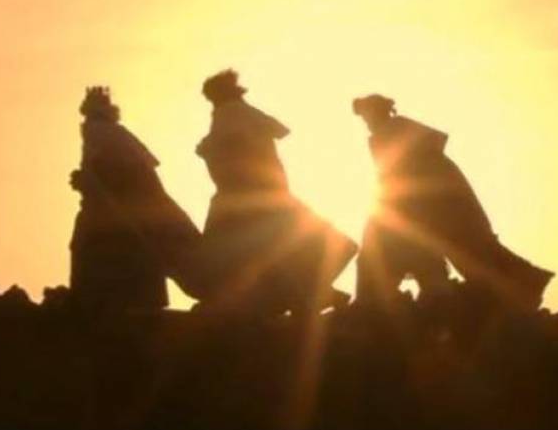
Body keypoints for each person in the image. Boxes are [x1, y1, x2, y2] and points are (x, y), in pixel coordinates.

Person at [353, 94, 553, 310]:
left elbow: (432, 144)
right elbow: (387, 174)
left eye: (368, 115)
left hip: (440, 195)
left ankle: (521, 287)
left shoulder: (399, 126)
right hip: (414, 198)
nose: (367, 122)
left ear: (379, 111)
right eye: (364, 118)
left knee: (471, 246)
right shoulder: (377, 139)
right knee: (453, 248)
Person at [196, 70, 355, 315]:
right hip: (265, 195)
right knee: (303, 246)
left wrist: (212, 148)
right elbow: (277, 130)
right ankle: (308, 293)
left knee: (237, 256)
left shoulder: (230, 112)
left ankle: (301, 294)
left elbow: (231, 142)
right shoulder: (239, 112)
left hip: (247, 197)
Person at [69, 87, 202, 312]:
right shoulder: (112, 134)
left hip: (121, 212)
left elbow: (115, 175)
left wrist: (89, 182)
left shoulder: (102, 134)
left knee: (101, 246)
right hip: (121, 210)